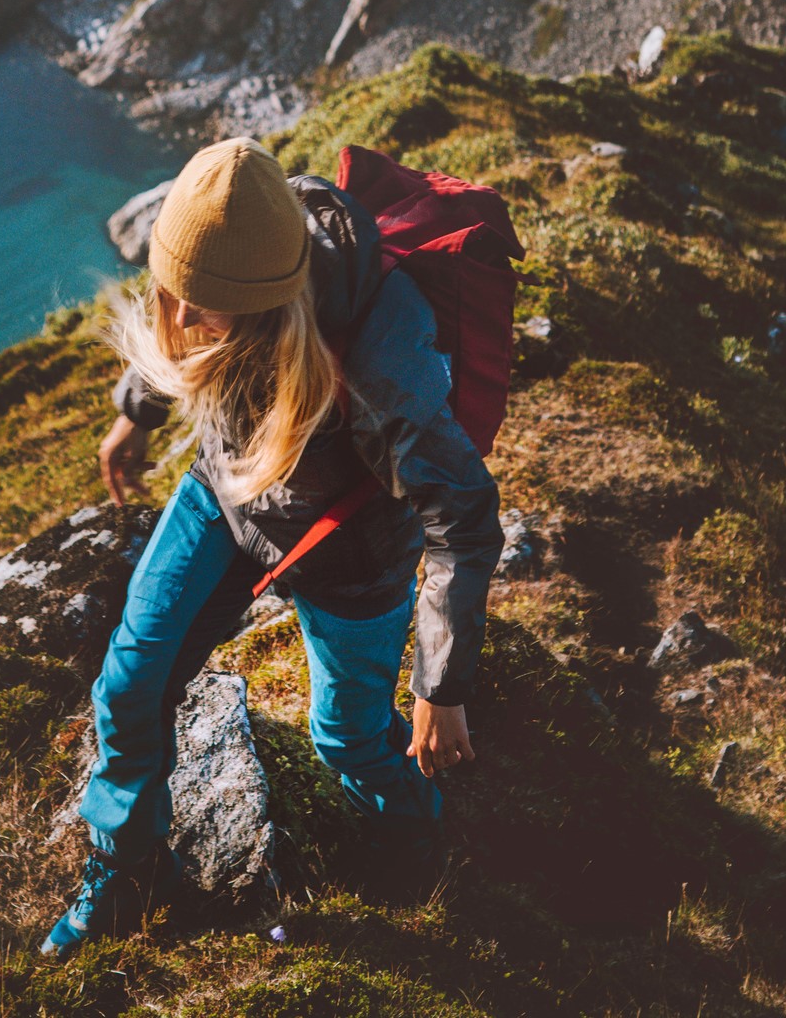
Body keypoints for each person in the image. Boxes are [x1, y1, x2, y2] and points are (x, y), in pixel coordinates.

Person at [42, 138, 504, 959]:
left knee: (350, 742)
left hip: (351, 558)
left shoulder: (378, 357)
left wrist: (442, 685)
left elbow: (463, 519)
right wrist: (133, 415)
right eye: (173, 294)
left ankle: (418, 846)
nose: (179, 320)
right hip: (226, 496)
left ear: (271, 304)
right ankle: (128, 879)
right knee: (129, 683)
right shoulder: (228, 254)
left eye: (204, 306)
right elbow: (184, 322)